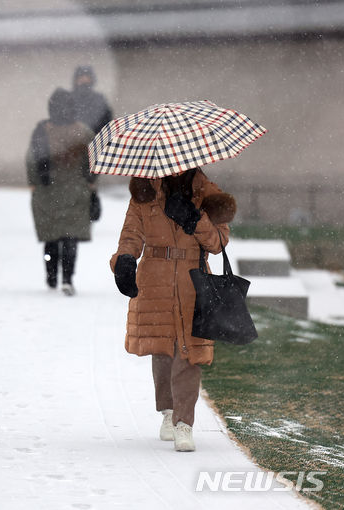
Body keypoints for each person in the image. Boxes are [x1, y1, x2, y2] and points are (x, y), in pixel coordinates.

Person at [110, 167, 237, 451]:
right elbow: (131, 234)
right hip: (155, 279)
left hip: (193, 282)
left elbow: (218, 243)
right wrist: (125, 261)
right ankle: (167, 413)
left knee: (189, 352)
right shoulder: (144, 192)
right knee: (163, 350)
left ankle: (184, 423)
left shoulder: (209, 195)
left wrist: (195, 220)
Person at [26, 88, 96, 296]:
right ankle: (67, 277)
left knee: (51, 237)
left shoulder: (42, 131)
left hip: (48, 192)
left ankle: (51, 276)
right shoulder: (82, 131)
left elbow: (32, 160)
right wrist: (90, 182)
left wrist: (34, 182)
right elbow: (92, 160)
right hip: (76, 190)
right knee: (70, 238)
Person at [71, 65, 113, 133]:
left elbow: (107, 120)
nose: (84, 80)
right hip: (73, 139)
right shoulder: (68, 98)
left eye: (87, 77)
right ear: (76, 80)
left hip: (95, 137)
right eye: (81, 77)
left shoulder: (99, 99)